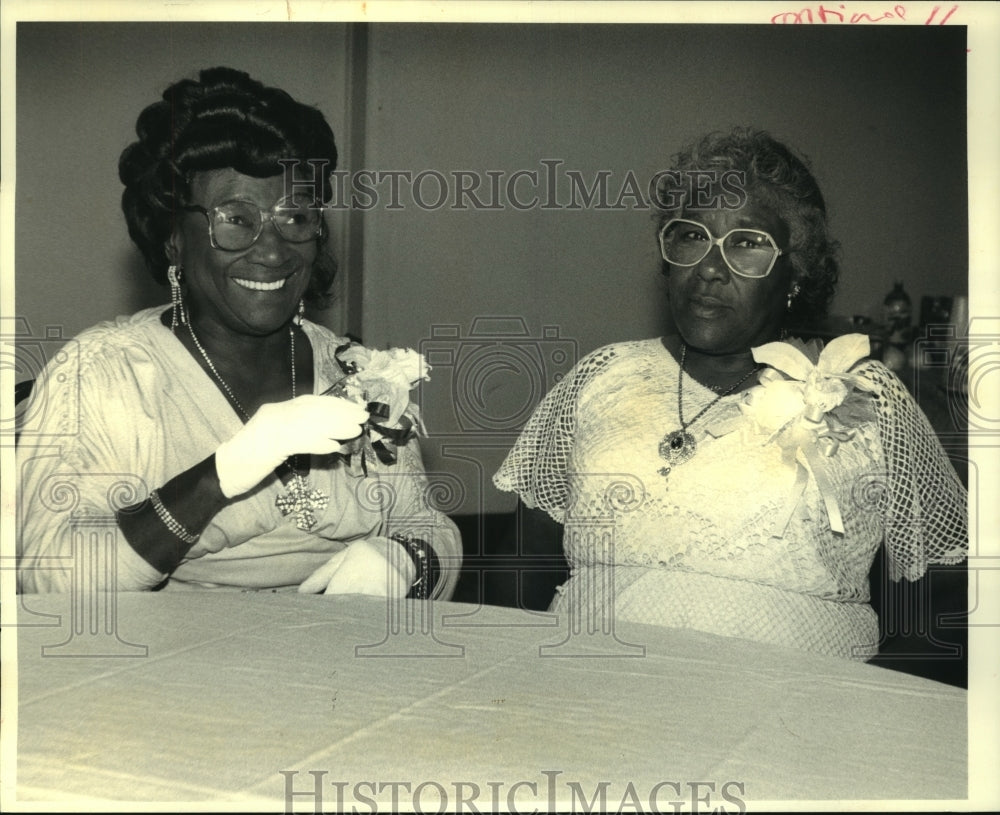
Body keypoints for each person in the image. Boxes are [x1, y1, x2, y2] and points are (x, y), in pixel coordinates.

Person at [494, 127, 967, 663]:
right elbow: (520, 578)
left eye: (748, 244)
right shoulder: (601, 376)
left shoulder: (866, 396)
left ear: (795, 274)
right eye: (691, 235)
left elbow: (940, 606)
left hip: (794, 718)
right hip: (593, 700)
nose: (711, 269)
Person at [17, 67, 461, 598]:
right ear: (171, 240)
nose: (273, 251)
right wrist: (218, 477)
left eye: (294, 217)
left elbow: (430, 525)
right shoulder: (104, 373)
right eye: (235, 218)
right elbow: (48, 579)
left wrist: (398, 560)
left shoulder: (354, 368)